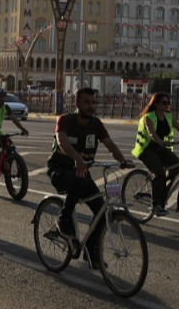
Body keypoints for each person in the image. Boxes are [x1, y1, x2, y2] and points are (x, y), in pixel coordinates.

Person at [45, 87, 133, 268]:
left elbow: (109, 144)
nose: (90, 106)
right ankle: (63, 220)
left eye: (93, 102)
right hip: (59, 170)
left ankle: (91, 252)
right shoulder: (65, 120)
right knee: (77, 181)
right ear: (76, 103)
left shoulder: (96, 124)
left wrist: (122, 160)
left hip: (83, 172)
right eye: (86, 102)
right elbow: (62, 142)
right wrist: (77, 158)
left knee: (102, 211)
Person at [131, 92, 179, 216]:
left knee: (177, 165)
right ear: (156, 104)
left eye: (168, 103)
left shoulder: (168, 116)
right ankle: (156, 206)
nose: (167, 105)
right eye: (164, 103)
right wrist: (162, 142)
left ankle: (162, 193)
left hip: (159, 148)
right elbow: (152, 133)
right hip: (146, 149)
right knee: (159, 173)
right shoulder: (148, 117)